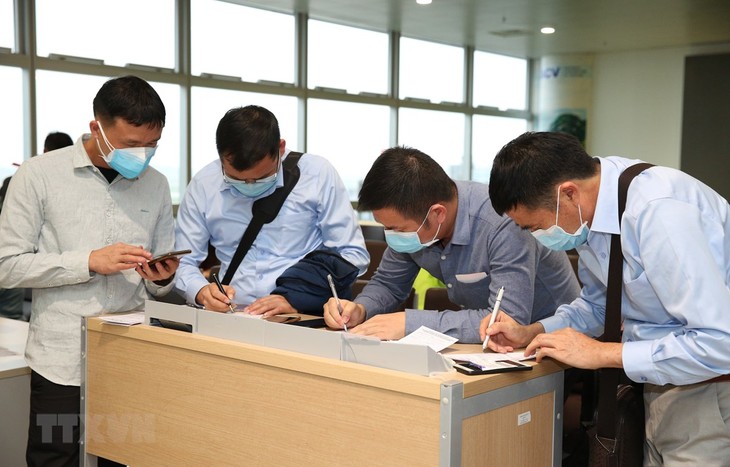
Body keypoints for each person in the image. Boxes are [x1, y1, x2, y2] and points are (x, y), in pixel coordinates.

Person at [485, 131, 730, 465]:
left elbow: (719, 343)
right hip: (657, 379)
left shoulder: (659, 212)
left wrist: (602, 353)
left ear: (567, 193)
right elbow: (601, 303)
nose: (537, 238)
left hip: (708, 388)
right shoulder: (593, 210)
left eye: (534, 227)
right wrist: (534, 331)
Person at [0, 75, 179, 466]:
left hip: (127, 357)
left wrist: (163, 278)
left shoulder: (157, 185)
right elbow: (7, 266)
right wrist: (87, 261)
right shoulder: (39, 174)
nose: (143, 155)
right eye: (132, 145)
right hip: (60, 359)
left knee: (122, 455)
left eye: (152, 145)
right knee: (55, 456)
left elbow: (162, 284)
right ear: (97, 127)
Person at [323, 146, 581, 342]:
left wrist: (409, 323)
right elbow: (390, 284)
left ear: (437, 214)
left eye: (396, 229)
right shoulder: (416, 223)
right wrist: (360, 308)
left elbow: (506, 320)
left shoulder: (501, 223)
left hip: (555, 337)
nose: (391, 235)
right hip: (490, 346)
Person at [175, 105, 369, 316]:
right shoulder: (204, 184)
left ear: (281, 148)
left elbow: (353, 255)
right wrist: (202, 292)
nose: (249, 185)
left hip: (304, 313)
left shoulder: (317, 175)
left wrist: (296, 296)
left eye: (262, 177)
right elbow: (182, 261)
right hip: (233, 315)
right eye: (235, 179)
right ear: (221, 158)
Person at [0, 132, 75, 320]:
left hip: (24, 265)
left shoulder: (19, 180)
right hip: (30, 268)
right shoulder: (73, 186)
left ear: (45, 151)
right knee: (12, 315)